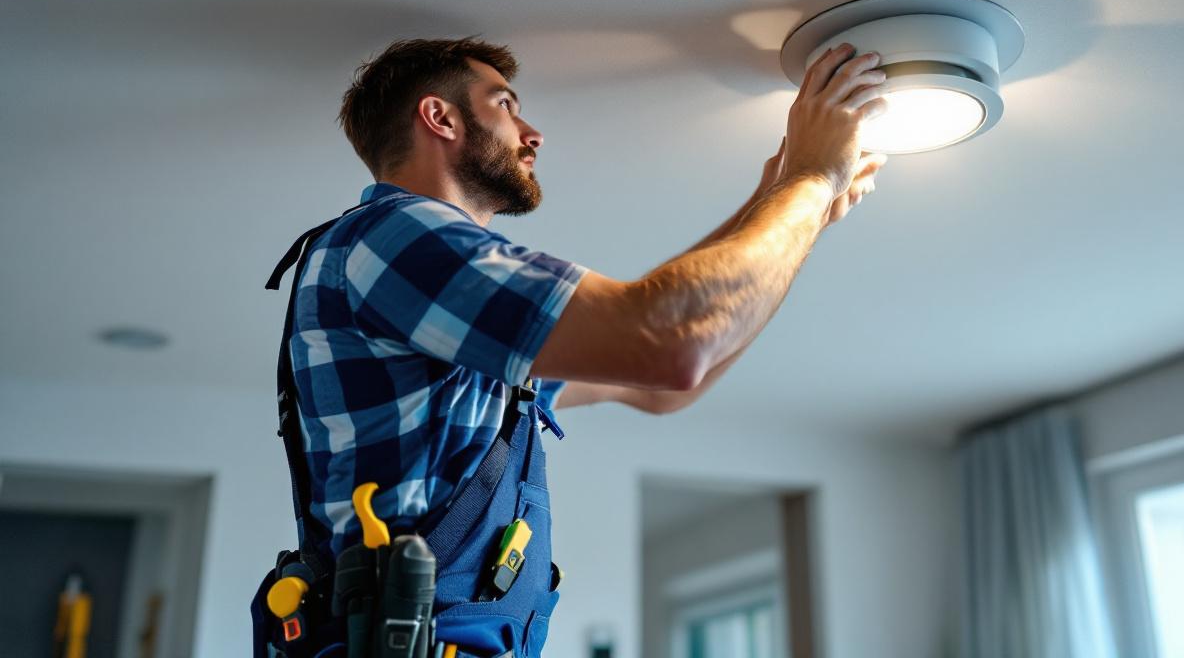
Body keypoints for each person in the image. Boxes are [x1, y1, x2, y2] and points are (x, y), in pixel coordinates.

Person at [258, 37, 888, 658]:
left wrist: (786, 207)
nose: (531, 133)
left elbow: (665, 383)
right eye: (505, 105)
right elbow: (674, 344)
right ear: (439, 117)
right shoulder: (392, 237)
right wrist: (810, 179)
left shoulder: (460, 327)